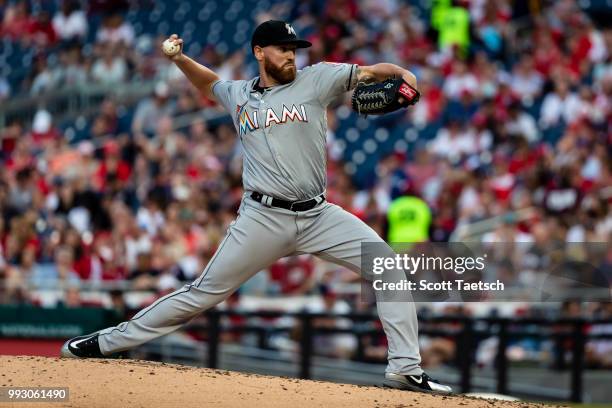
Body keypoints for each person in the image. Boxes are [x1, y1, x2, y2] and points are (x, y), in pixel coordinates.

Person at [60, 20, 452, 395]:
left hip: (318, 215)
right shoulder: (238, 94)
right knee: (202, 294)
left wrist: (406, 77)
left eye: (295, 49)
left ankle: (405, 369)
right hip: (263, 218)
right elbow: (210, 84)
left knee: (387, 267)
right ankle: (107, 342)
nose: (291, 56)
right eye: (283, 49)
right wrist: (179, 60)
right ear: (259, 52)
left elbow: (373, 72)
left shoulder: (317, 78)